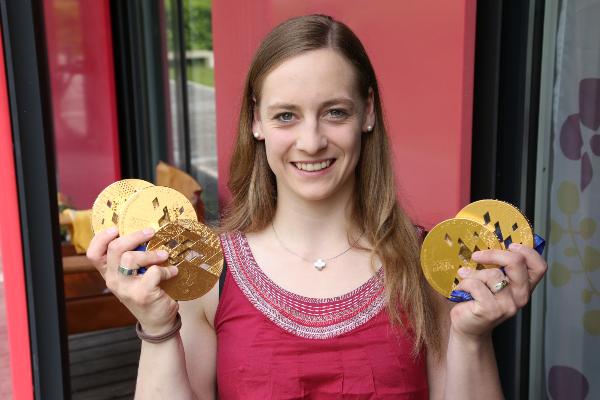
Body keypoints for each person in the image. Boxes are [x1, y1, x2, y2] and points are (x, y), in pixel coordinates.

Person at [87, 15, 547, 399]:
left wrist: (472, 337)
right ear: (256, 121)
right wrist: (156, 326)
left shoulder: (430, 263)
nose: (311, 142)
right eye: (286, 115)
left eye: (335, 112)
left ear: (367, 113)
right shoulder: (208, 270)